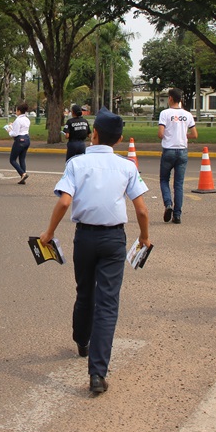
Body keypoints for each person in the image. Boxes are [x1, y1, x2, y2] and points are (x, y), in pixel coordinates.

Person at [39, 108, 151, 394]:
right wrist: (144, 238)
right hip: (114, 239)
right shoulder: (127, 166)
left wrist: (49, 233)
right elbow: (141, 210)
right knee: (108, 304)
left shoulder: (76, 163)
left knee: (85, 291)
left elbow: (65, 202)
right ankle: (97, 373)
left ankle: (81, 340)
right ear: (120, 139)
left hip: (85, 238)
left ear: (95, 134)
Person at [158, 88, 198, 224]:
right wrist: (183, 135)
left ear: (170, 98)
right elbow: (194, 134)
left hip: (169, 150)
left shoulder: (165, 113)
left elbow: (160, 133)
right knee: (179, 184)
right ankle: (177, 215)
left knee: (164, 179)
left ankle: (168, 203)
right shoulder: (187, 115)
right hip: (182, 150)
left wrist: (169, 135)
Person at [7, 101, 31, 184]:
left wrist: (9, 131)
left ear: (19, 111)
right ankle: (23, 177)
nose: (16, 112)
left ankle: (22, 173)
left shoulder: (18, 120)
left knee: (12, 160)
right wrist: (12, 125)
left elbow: (15, 133)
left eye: (16, 111)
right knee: (22, 159)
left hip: (19, 140)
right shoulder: (27, 119)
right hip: (27, 139)